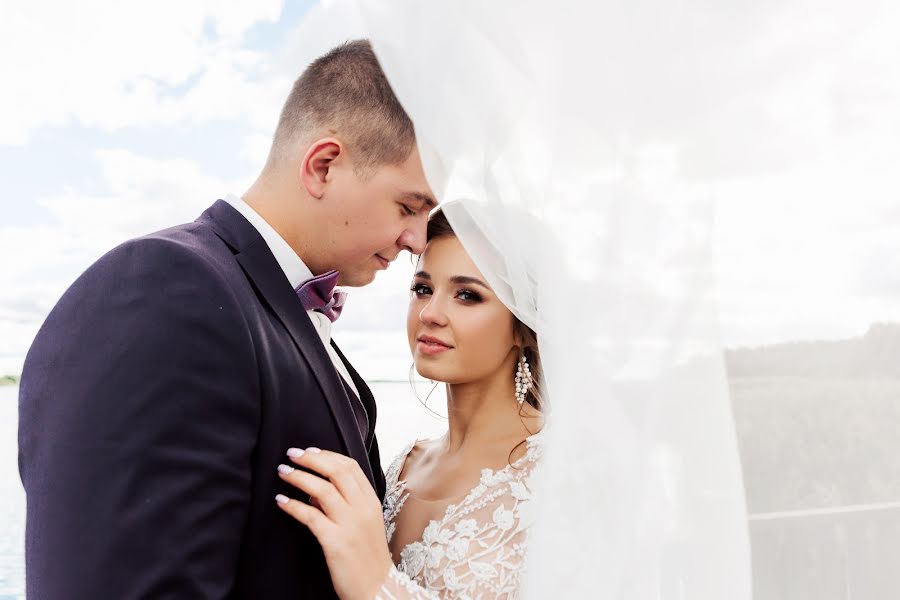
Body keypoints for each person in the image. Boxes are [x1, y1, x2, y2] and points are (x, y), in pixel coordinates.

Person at [18, 39, 435, 599]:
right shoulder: (169, 289)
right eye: (409, 207)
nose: (416, 240)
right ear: (324, 165)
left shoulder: (264, 306)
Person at [276, 207, 545, 599]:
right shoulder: (404, 467)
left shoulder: (563, 475)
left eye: (467, 295)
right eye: (422, 289)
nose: (431, 313)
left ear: (524, 327)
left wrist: (376, 584)